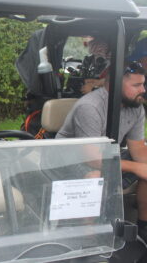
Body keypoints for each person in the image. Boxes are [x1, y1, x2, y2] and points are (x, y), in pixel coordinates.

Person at [56, 61, 147, 241]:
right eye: (136, 85)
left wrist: (143, 166)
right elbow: (92, 158)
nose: (143, 89)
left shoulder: (135, 107)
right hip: (68, 159)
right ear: (114, 85)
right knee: (94, 177)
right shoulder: (90, 106)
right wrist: (137, 168)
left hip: (104, 154)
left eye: (143, 83)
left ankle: (143, 229)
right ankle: (88, 240)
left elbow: (138, 148)